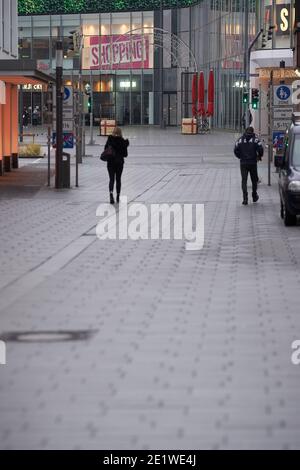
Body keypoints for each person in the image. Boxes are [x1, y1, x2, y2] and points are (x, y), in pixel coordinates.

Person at [234, 126, 264, 205]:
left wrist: (240, 156)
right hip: (253, 163)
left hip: (243, 163)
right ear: (252, 131)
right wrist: (259, 156)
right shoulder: (256, 140)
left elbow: (235, 149)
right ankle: (254, 195)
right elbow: (261, 149)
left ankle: (245, 198)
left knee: (244, 180)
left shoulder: (240, 140)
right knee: (254, 180)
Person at [104, 127, 129, 204]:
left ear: (113, 132)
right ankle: (118, 196)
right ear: (120, 133)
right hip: (119, 163)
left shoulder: (110, 140)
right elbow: (125, 155)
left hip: (110, 162)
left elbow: (105, 149)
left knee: (111, 179)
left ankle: (111, 194)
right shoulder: (122, 142)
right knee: (118, 179)